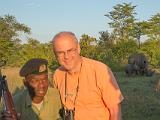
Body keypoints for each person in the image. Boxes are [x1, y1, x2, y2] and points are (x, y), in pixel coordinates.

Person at [52, 31, 124, 120]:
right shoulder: (58, 74)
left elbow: (115, 111)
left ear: (78, 48)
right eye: (60, 53)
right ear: (55, 55)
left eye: (70, 50)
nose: (66, 56)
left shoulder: (100, 71)